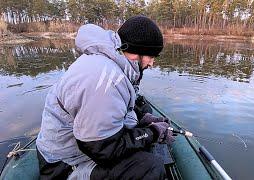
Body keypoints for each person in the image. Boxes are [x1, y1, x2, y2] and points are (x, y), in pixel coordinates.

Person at [36, 15, 174, 180]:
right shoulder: (103, 80)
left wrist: (143, 119)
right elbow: (104, 150)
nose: (152, 63)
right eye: (151, 56)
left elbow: (117, 111)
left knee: (144, 109)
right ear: (136, 51)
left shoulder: (111, 62)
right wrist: (151, 133)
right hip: (64, 164)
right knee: (149, 167)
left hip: (84, 150)